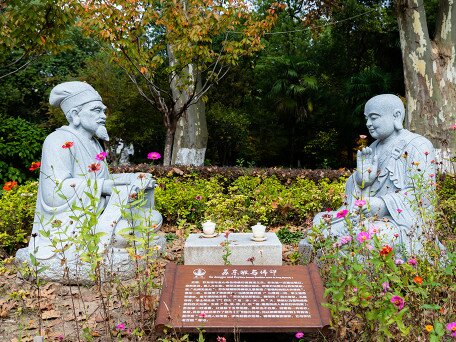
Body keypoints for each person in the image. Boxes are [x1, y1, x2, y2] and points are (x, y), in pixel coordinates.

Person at [16, 81, 163, 282]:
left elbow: (103, 180)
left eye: (103, 110)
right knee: (126, 233)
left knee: (153, 218)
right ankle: (93, 246)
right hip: (72, 222)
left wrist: (132, 178)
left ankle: (111, 238)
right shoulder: (57, 140)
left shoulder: (94, 144)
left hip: (99, 212)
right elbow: (54, 190)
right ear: (75, 115)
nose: (103, 115)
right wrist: (103, 187)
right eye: (96, 110)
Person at [313, 94, 437, 255]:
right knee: (319, 221)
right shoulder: (374, 147)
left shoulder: (418, 145)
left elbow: (424, 194)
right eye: (367, 118)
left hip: (399, 223)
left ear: (397, 116)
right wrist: (361, 180)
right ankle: (339, 245)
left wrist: (384, 204)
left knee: (367, 235)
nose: (368, 123)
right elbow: (362, 193)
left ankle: (341, 248)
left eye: (374, 117)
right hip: (367, 218)